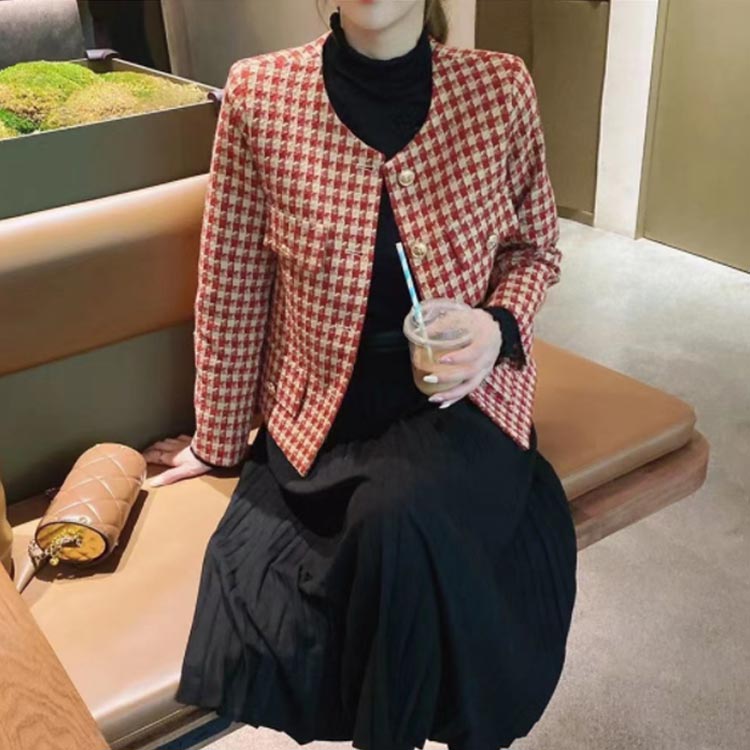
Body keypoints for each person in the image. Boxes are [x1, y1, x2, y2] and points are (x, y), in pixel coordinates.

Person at [142, 2, 578, 749]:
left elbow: (533, 250)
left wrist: (497, 328)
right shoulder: (259, 94)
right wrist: (216, 440)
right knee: (388, 522)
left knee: (396, 518)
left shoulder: (499, 88)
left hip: (467, 403)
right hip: (322, 417)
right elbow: (232, 284)